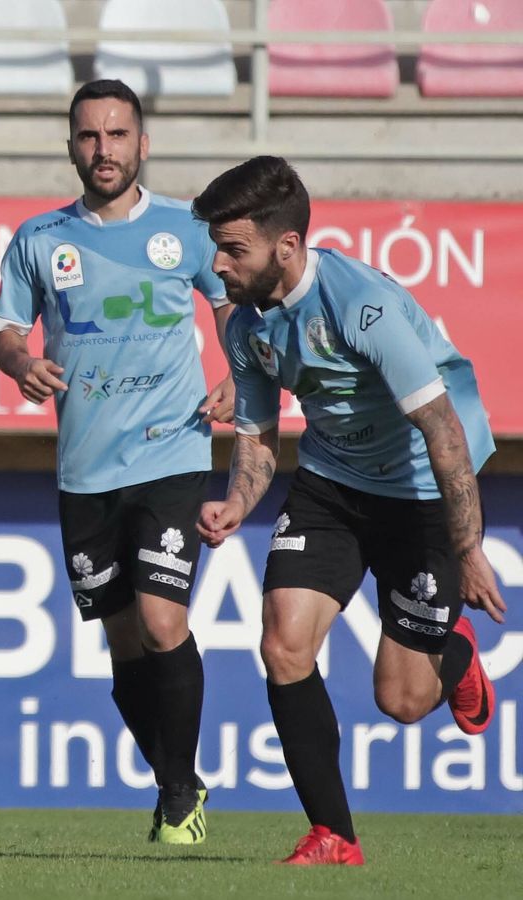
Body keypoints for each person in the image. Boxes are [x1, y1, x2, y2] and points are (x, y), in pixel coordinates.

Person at [192, 155, 503, 866]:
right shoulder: (245, 326)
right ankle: (334, 834)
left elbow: (444, 430)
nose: (220, 264)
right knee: (282, 645)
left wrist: (466, 548)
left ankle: (452, 655)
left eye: (234, 248)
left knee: (400, 699)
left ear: (288, 246)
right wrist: (237, 502)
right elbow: (259, 437)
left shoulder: (363, 306)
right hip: (332, 486)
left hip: (422, 493)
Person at [0, 79, 234, 845]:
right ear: (72, 147)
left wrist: (241, 373)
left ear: (143, 144)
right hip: (86, 470)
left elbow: (234, 305)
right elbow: (3, 331)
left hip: (172, 450)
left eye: (118, 135)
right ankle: (180, 784)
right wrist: (19, 361)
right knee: (125, 644)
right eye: (90, 137)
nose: (105, 150)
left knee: (164, 624)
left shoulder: (188, 230)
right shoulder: (38, 240)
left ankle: (177, 797)